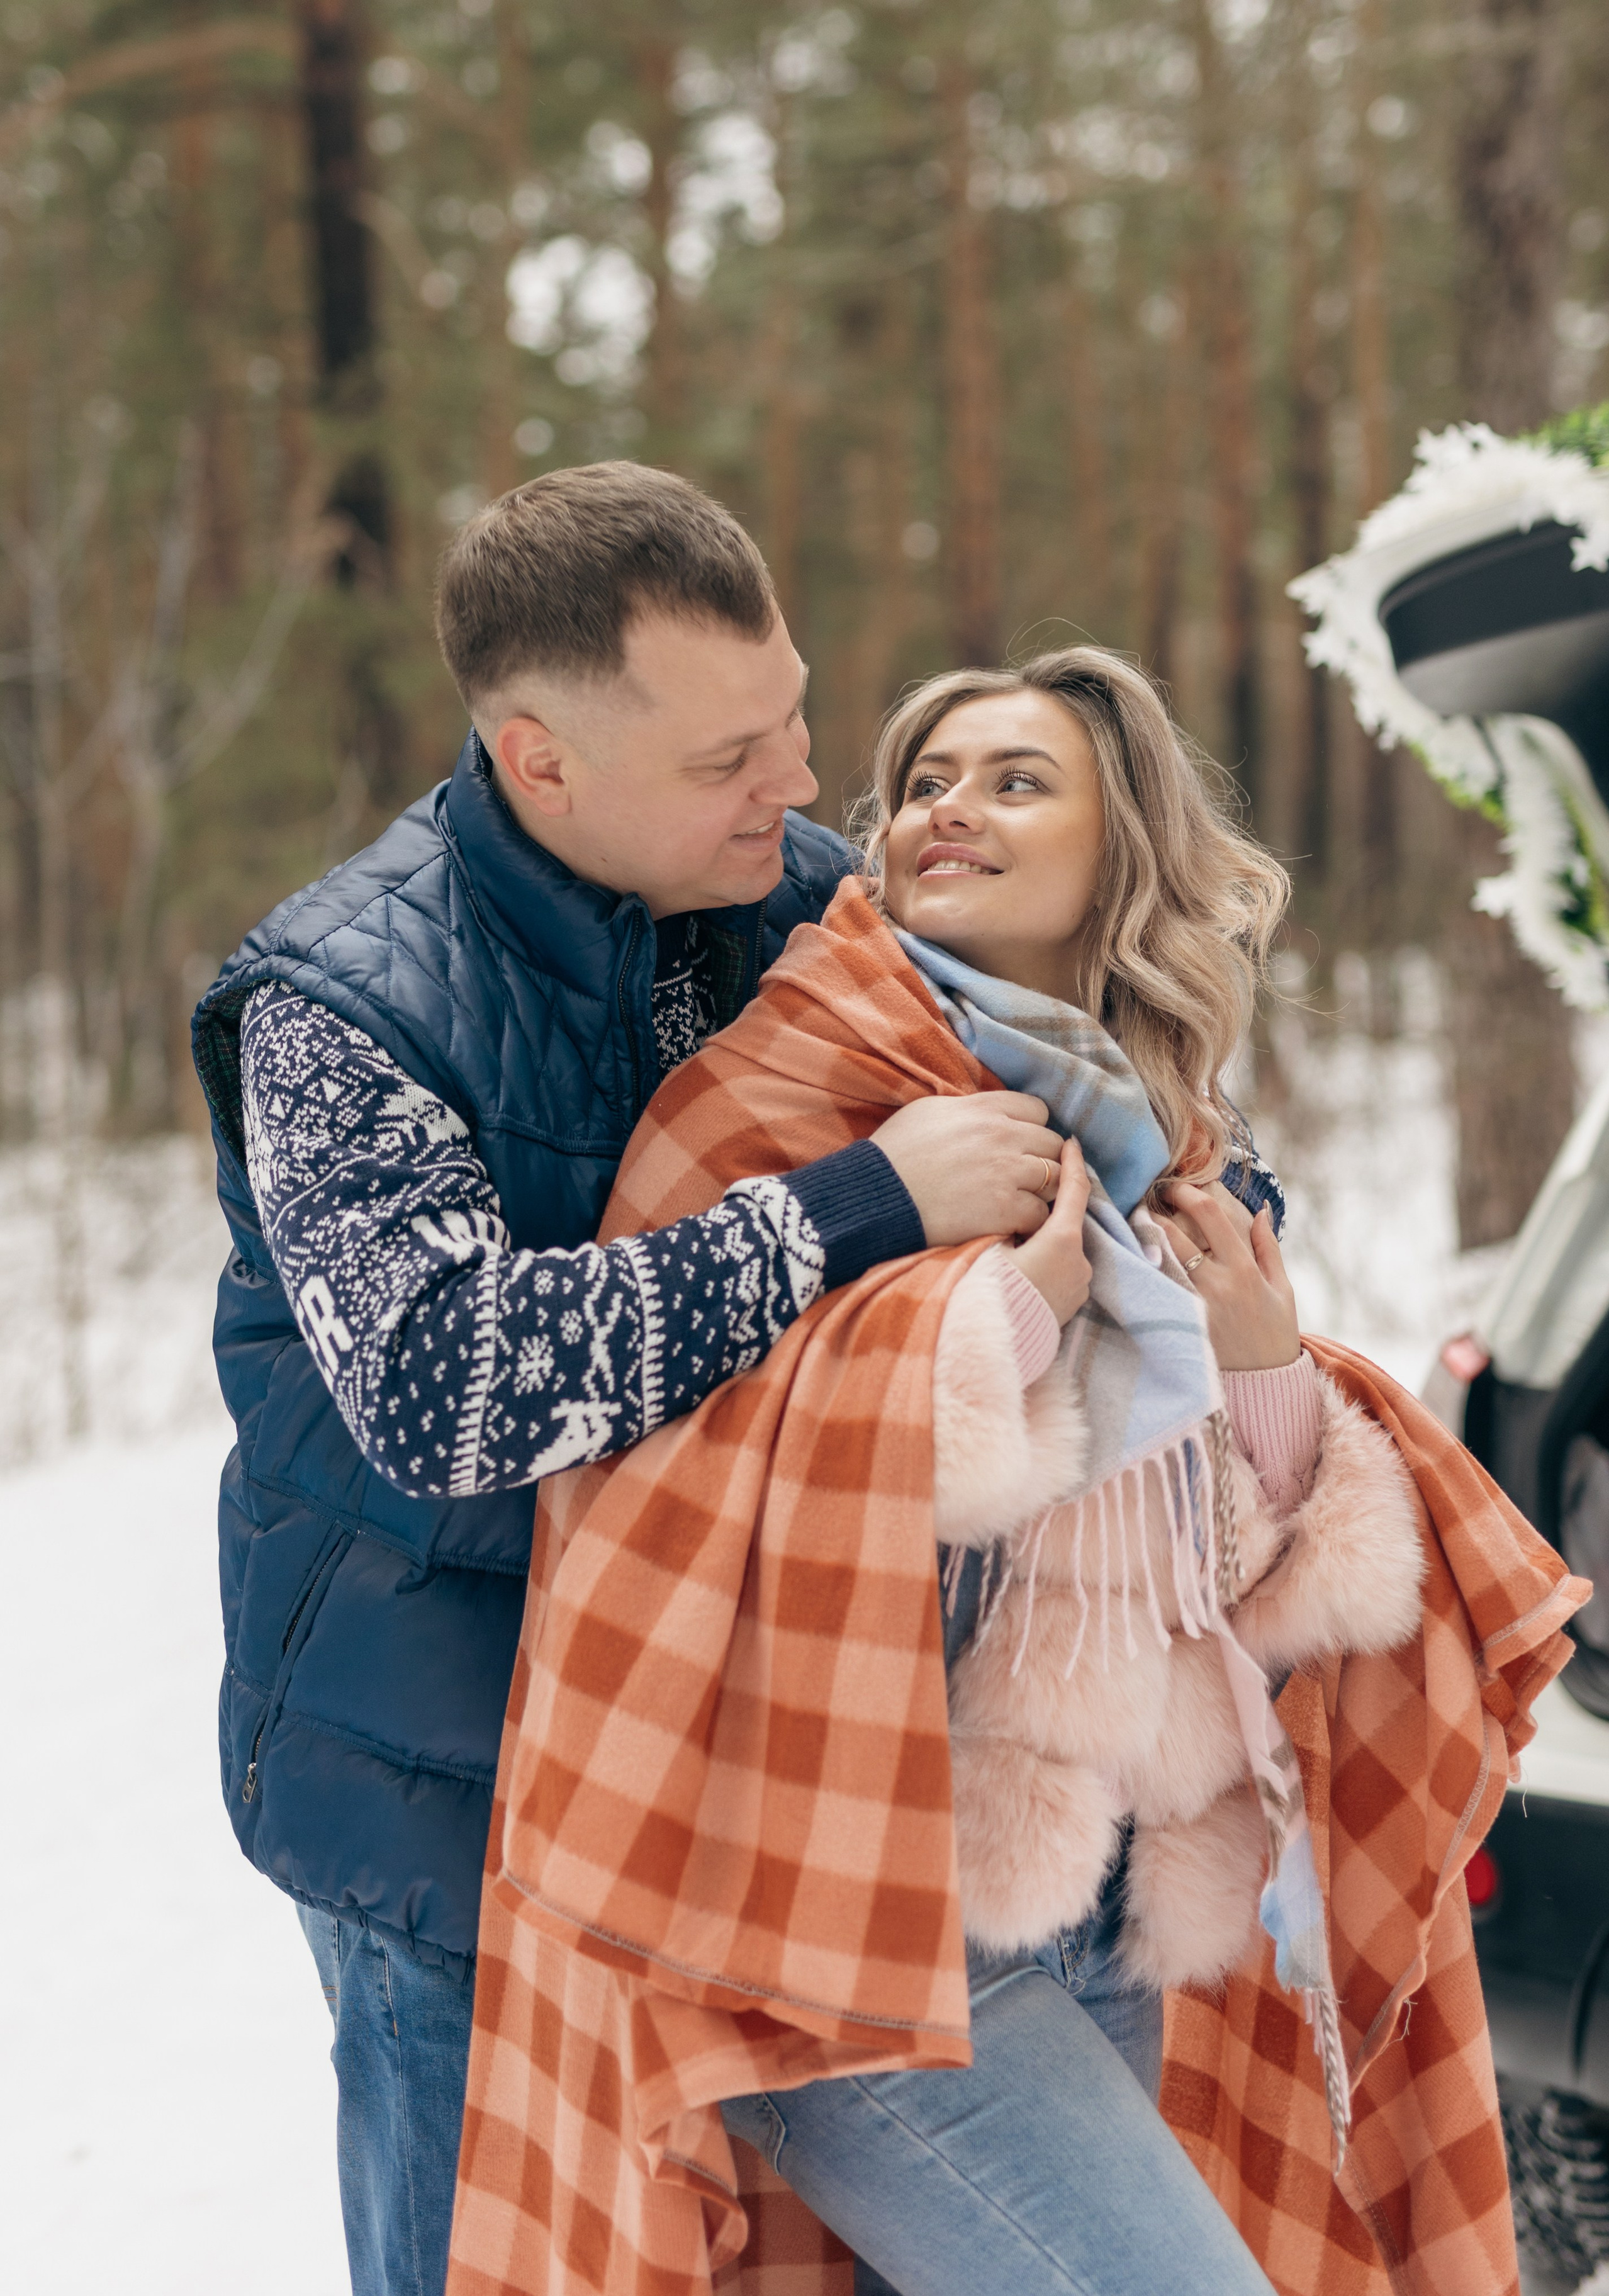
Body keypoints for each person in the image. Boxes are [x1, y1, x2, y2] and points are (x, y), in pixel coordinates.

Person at [448, 647, 1429, 2296]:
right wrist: (1012, 1324)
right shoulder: (769, 1100)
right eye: (923, 782)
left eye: (1014, 780)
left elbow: (1239, 1572)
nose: (945, 808)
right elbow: (676, 1515)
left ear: (1121, 851)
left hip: (1111, 1901)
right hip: (856, 1928)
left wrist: (1259, 1356)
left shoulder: (1165, 1140)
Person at [189, 463, 1067, 2296]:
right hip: (450, 1797)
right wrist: (856, 1209)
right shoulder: (337, 1009)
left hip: (764, 1764)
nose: (804, 784)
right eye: (728, 758)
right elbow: (452, 1390)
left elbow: (1087, 1096)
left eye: (798, 720)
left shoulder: (805, 900)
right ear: (541, 759)